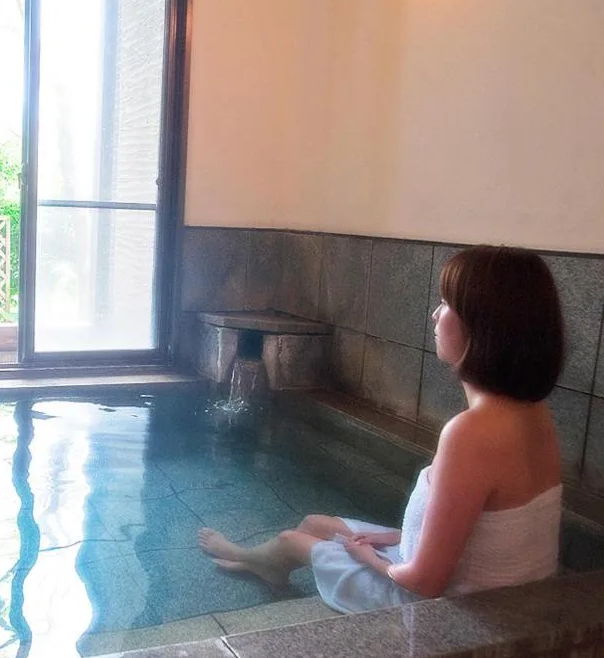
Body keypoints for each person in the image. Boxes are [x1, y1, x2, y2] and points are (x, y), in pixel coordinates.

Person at [197, 245, 565, 614]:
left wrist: (368, 555)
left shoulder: (471, 433)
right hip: (485, 593)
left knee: (294, 539)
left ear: (483, 324)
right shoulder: (535, 415)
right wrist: (389, 539)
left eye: (446, 303)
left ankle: (257, 558)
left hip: (437, 612)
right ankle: (266, 564)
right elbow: (483, 538)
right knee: (315, 523)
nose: (435, 314)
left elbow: (426, 582)